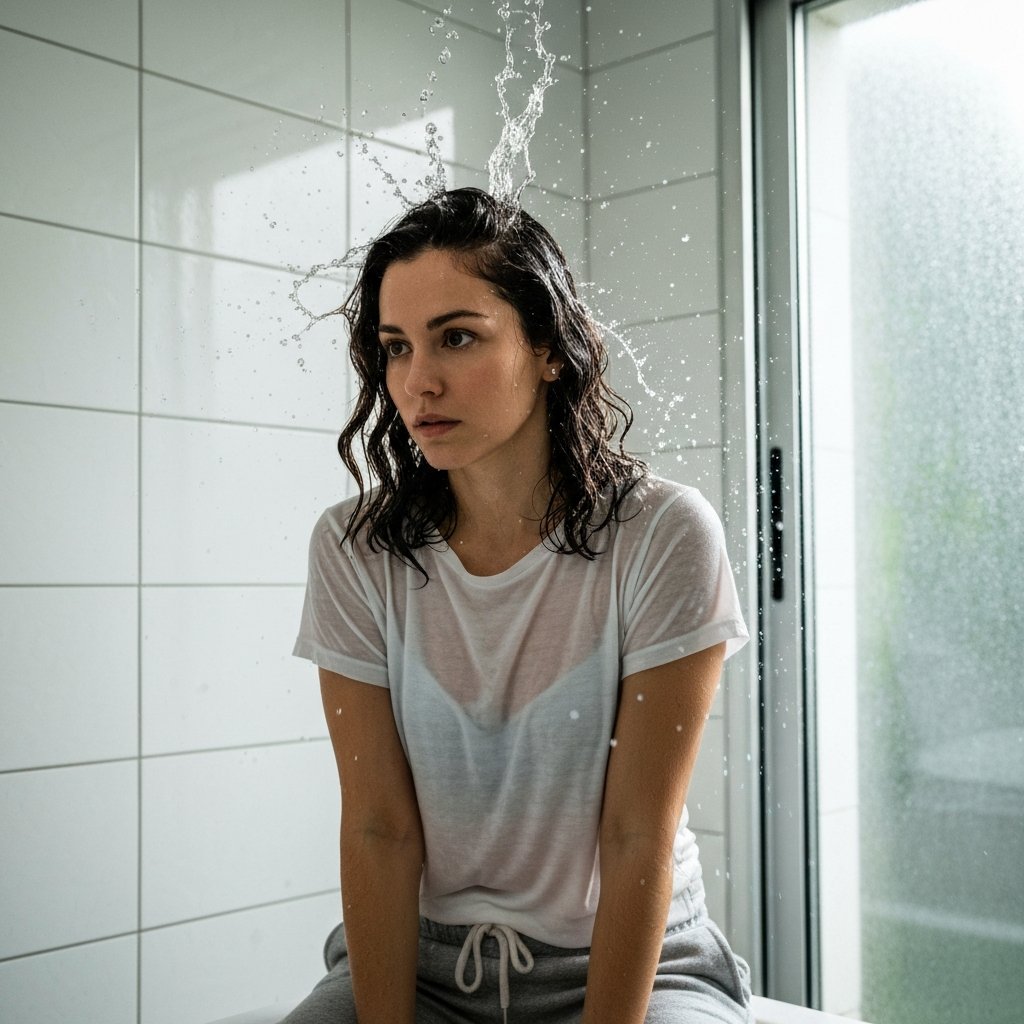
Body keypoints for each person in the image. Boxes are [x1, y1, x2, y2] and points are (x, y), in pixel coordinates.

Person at [286, 187, 753, 1024]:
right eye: (396, 348)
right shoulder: (355, 547)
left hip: (639, 969)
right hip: (423, 970)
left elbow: (636, 834)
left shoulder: (662, 534)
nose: (418, 381)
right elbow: (380, 829)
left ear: (546, 347)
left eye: (456, 337)